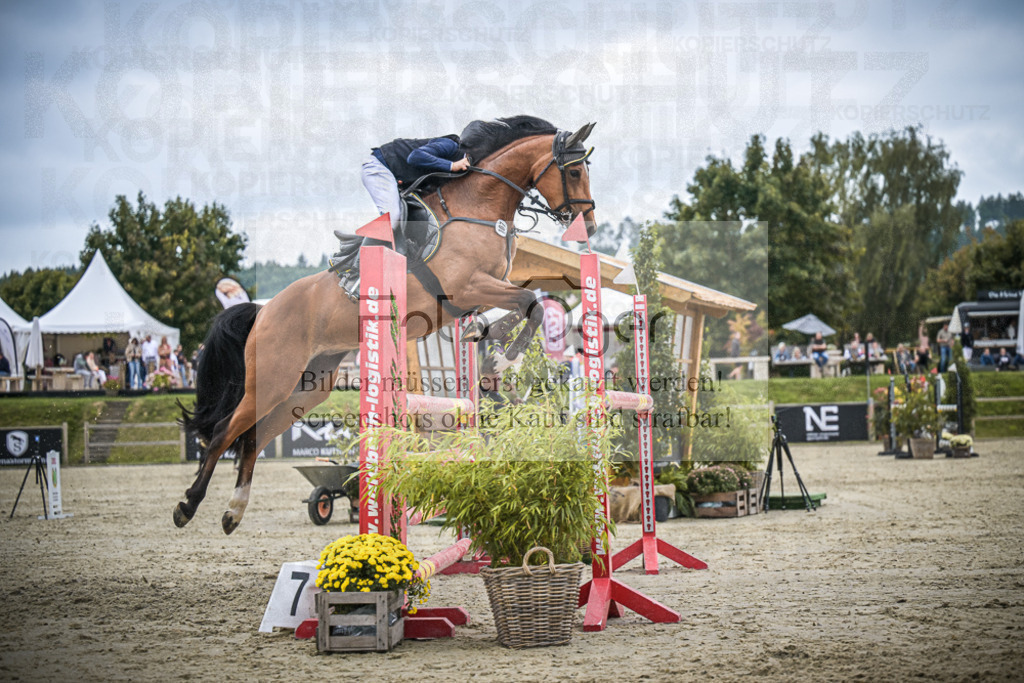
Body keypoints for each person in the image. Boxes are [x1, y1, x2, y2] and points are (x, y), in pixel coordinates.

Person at [363, 134, 469, 236]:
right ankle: (367, 252)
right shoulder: (450, 145)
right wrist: (452, 165)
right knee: (393, 218)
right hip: (380, 166)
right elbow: (415, 157)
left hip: (395, 176)